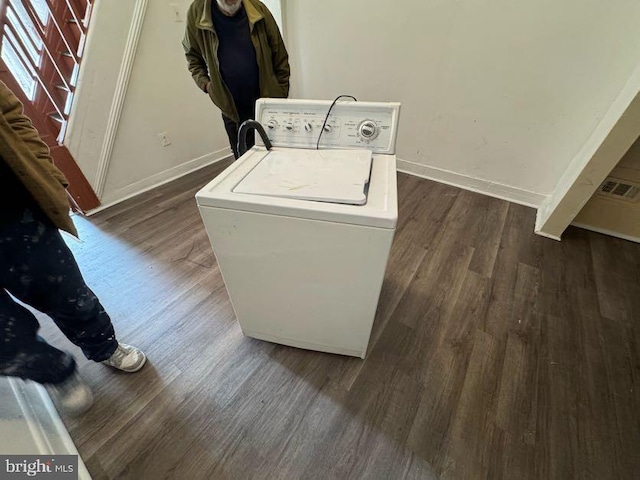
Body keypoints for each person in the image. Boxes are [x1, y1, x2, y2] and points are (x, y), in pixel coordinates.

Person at [0, 81, 146, 415]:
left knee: (67, 293)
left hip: (11, 212)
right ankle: (55, 373)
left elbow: (13, 115)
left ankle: (103, 346)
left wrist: (47, 174)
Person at [183, 0, 290, 159]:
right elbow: (193, 57)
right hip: (231, 109)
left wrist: (281, 92)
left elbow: (279, 53)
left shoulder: (258, 9)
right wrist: (207, 85)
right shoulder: (197, 12)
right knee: (242, 161)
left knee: (275, 157)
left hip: (267, 104)